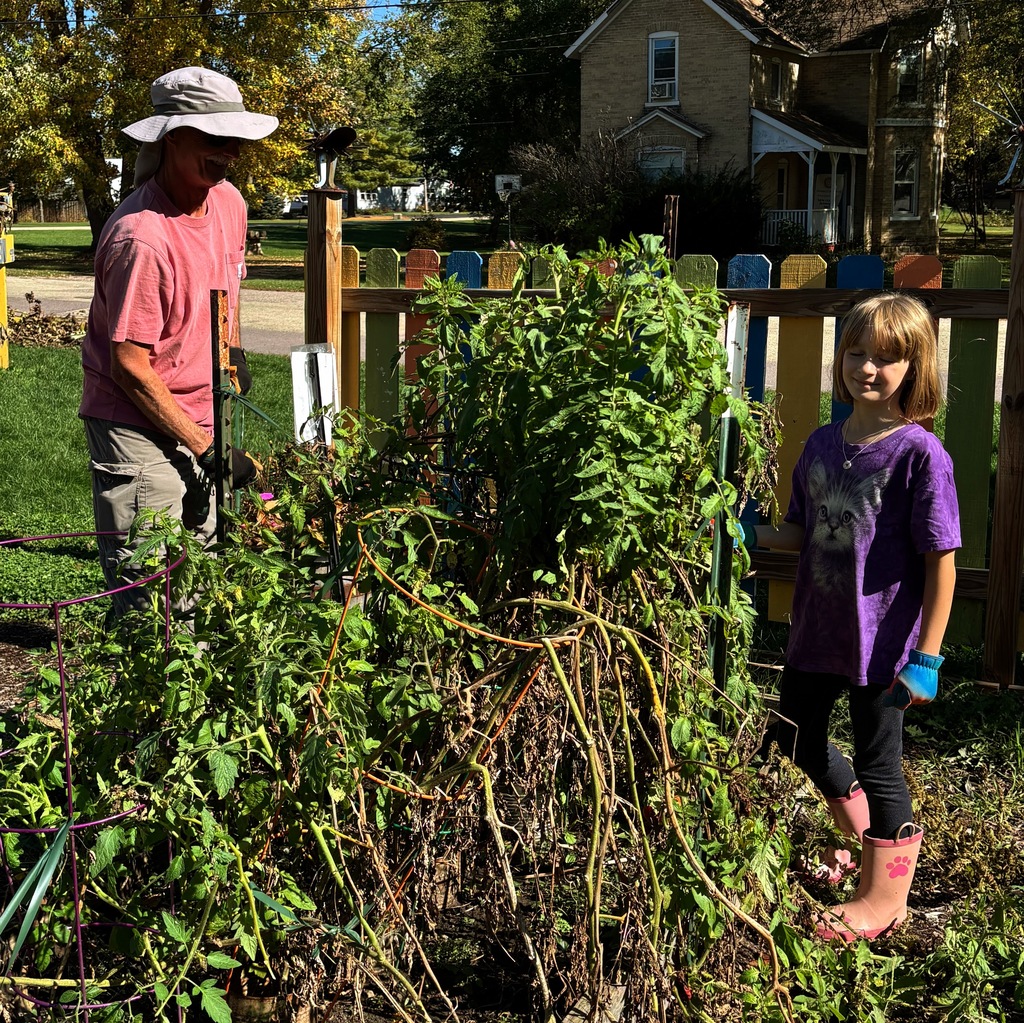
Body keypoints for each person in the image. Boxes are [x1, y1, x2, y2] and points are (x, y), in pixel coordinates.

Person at [743, 293, 959, 942]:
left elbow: (942, 562)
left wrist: (927, 657)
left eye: (886, 358)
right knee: (794, 735)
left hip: (882, 645)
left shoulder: (920, 454)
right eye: (856, 353)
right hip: (817, 631)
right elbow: (798, 531)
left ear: (915, 367)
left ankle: (883, 900)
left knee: (879, 763)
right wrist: (743, 532)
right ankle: (862, 840)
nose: (867, 367)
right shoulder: (820, 444)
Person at [79, 67, 278, 613]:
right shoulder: (142, 238)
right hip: (136, 422)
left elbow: (227, 288)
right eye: (214, 138)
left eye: (235, 140)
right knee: (155, 590)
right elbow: (128, 366)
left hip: (199, 409)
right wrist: (208, 450)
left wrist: (233, 351)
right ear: (171, 138)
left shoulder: (229, 203)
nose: (228, 153)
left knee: (204, 572)